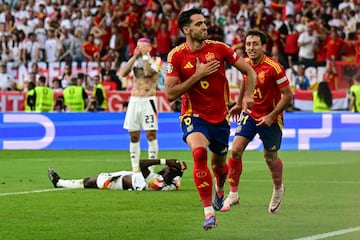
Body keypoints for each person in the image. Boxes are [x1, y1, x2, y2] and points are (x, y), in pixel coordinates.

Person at [164, 8, 257, 230]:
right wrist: (198, 75)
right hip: (193, 116)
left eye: (205, 23)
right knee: (199, 153)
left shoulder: (220, 49)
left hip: (220, 119)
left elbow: (250, 72)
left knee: (220, 167)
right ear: (186, 29)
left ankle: (220, 188)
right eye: (198, 24)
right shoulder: (176, 56)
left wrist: (247, 95)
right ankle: (208, 213)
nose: (204, 26)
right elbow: (170, 94)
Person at [220, 30, 293, 215]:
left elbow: (288, 96)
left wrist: (271, 115)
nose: (251, 48)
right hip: (250, 113)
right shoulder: (245, 63)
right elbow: (246, 80)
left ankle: (278, 188)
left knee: (270, 158)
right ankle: (234, 194)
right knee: (235, 150)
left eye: (255, 44)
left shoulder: (274, 67)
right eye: (248, 44)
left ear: (263, 47)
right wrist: (238, 103)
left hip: (271, 117)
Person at [120, 37, 161, 173]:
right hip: (134, 101)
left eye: (142, 47)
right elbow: (123, 73)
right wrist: (133, 57)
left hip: (148, 100)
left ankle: (151, 170)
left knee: (150, 134)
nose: (140, 49)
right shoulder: (134, 61)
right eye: (138, 46)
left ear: (149, 48)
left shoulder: (156, 61)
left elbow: (148, 73)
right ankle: (135, 169)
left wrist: (144, 56)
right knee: (133, 135)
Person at [48, 159, 187, 191]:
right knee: (90, 181)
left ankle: (60, 183)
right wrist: (181, 168)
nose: (164, 167)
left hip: (119, 183)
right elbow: (177, 175)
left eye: (166, 168)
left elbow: (142, 163)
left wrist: (163, 160)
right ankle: (61, 182)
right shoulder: (175, 182)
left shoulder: (156, 183)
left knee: (89, 182)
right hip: (128, 176)